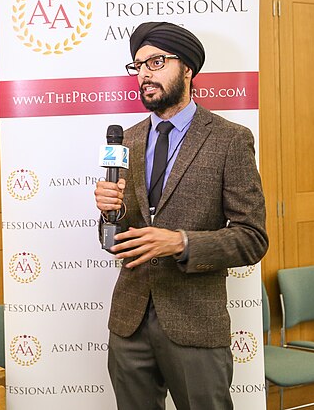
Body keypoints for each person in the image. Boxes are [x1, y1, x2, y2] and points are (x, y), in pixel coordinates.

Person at [94, 21, 268, 410]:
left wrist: (181, 242)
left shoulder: (229, 139)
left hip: (195, 322)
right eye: (137, 66)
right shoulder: (129, 139)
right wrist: (110, 213)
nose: (144, 74)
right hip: (129, 320)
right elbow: (114, 240)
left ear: (187, 68)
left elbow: (252, 237)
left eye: (156, 62)